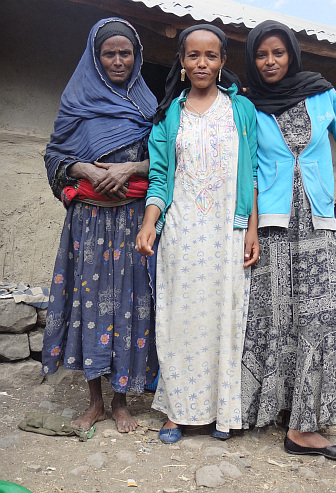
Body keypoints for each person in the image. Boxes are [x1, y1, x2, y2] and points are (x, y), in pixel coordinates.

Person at [241, 20, 336, 459]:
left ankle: (305, 425)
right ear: (252, 59)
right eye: (261, 55)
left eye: (278, 53)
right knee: (273, 316)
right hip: (272, 226)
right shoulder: (249, 106)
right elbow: (248, 170)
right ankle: (273, 409)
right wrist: (251, 227)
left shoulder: (323, 92)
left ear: (291, 54)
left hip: (318, 222)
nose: (270, 62)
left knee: (318, 314)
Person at [136, 24, 259, 443]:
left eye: (211, 55)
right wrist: (150, 222)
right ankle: (176, 412)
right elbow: (159, 177)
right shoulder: (170, 114)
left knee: (225, 320)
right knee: (179, 320)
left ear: (224, 62)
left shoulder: (241, 111)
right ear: (182, 63)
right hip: (183, 233)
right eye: (193, 56)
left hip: (227, 230)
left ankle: (220, 413)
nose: (201, 63)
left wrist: (251, 229)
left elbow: (252, 173)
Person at [42, 17, 158, 433]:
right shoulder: (76, 101)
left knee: (129, 303)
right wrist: (87, 170)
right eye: (108, 53)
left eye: (125, 53)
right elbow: (55, 156)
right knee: (88, 304)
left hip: (132, 220)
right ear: (95, 56)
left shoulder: (148, 106)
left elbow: (163, 160)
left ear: (137, 56)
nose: (117, 60)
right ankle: (94, 401)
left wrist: (129, 167)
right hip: (88, 222)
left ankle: (122, 400)